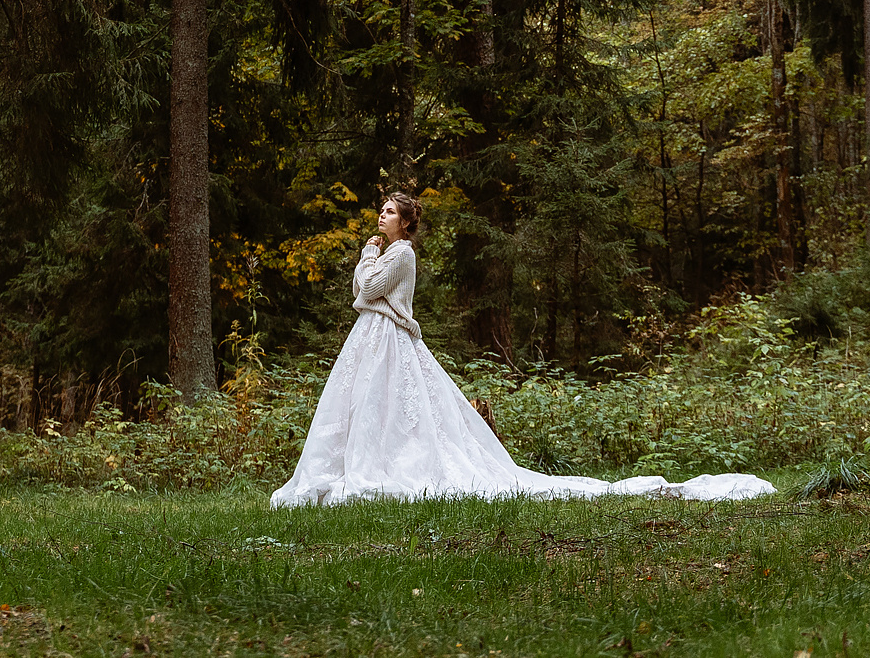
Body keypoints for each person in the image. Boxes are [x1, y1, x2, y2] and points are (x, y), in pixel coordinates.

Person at [269, 193, 776, 508]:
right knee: (368, 407)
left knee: (401, 409)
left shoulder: (400, 253)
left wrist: (366, 258)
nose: (380, 216)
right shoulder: (387, 251)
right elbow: (360, 294)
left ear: (404, 223)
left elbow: (367, 290)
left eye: (388, 212)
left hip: (390, 337)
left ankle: (390, 469)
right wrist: (367, 267)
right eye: (381, 210)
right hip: (372, 338)